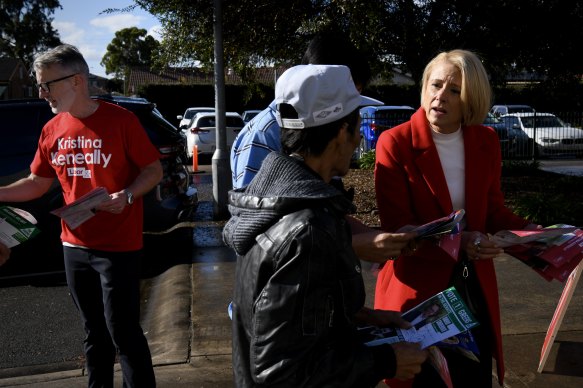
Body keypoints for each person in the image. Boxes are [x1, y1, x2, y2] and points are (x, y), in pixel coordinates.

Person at [223, 64, 428, 387]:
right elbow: (281, 374)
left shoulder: (272, 199)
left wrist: (364, 316)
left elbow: (288, 317)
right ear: (340, 133)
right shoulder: (308, 230)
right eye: (357, 125)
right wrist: (386, 361)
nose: (360, 136)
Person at [373, 49, 541, 388]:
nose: (440, 96)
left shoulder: (486, 140)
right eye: (435, 85)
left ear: (470, 99)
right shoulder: (395, 143)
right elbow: (397, 229)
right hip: (418, 296)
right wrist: (459, 242)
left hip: (471, 293)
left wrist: (540, 235)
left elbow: (493, 212)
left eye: (454, 90)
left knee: (473, 380)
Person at [0, 44, 160, 387]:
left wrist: (128, 194)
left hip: (118, 244)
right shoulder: (52, 129)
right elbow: (36, 183)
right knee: (93, 331)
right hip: (73, 244)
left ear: (77, 81)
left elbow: (152, 170)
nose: (42, 93)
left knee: (123, 330)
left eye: (47, 85)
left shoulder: (121, 120)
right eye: (40, 86)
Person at [231, 29, 417, 264]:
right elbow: (255, 232)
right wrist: (353, 245)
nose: (357, 137)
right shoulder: (265, 133)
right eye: (350, 91)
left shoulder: (313, 135)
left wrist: (374, 236)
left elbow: (322, 213)